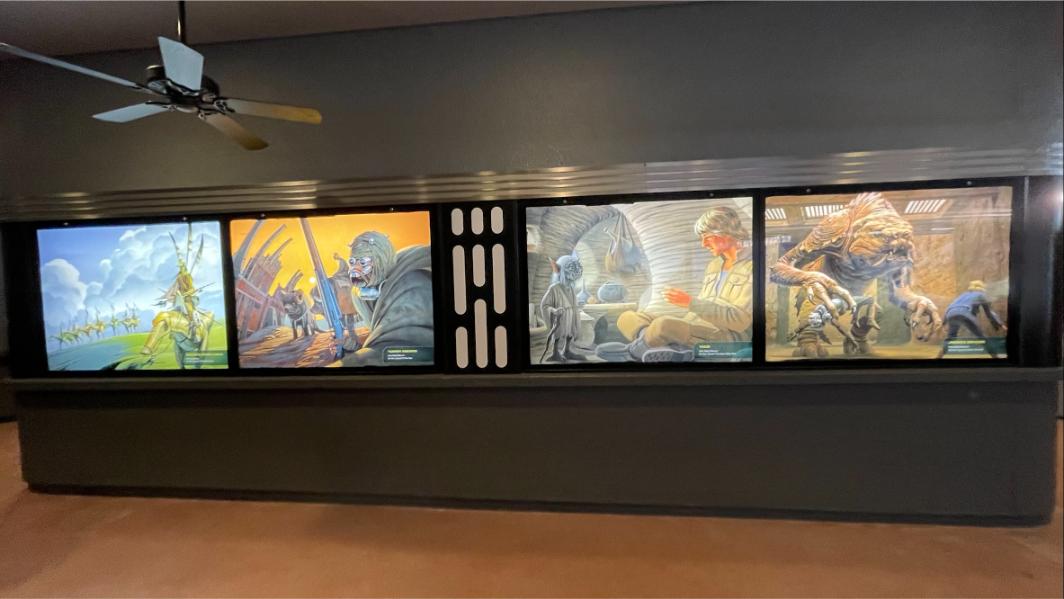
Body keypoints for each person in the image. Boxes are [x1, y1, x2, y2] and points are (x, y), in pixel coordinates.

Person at [607, 206, 753, 362]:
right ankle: (671, 349)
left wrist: (690, 303)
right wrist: (684, 318)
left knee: (663, 325)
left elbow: (739, 322)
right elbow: (704, 304)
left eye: (707, 237)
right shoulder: (714, 265)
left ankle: (633, 352)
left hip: (726, 338)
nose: (703, 244)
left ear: (726, 233)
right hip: (698, 326)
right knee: (627, 317)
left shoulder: (752, 267)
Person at [937, 280, 1006, 358]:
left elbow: (950, 307)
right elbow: (989, 312)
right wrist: (1000, 324)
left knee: (951, 337)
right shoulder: (981, 295)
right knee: (981, 337)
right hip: (966, 313)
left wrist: (943, 323)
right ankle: (995, 357)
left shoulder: (963, 295)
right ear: (982, 288)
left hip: (951, 313)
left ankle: (939, 356)